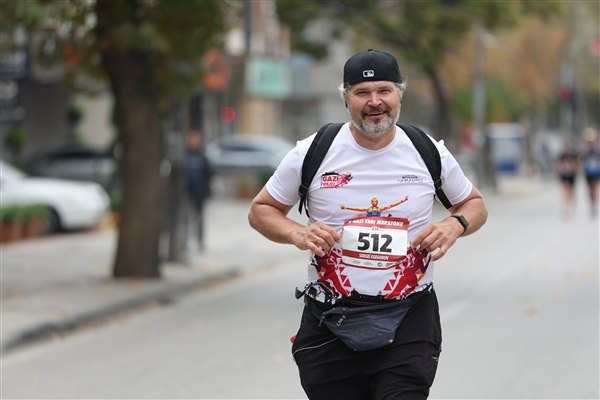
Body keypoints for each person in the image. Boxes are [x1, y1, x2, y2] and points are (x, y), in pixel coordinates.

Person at [248, 49, 488, 399]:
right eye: (362, 92)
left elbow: (474, 203)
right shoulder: (314, 151)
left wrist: (455, 224)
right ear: (345, 98)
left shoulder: (426, 151)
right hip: (330, 319)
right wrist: (297, 233)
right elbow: (261, 210)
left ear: (399, 94)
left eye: (384, 90)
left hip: (409, 318)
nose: (375, 102)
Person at [185, 130, 212, 251]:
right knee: (187, 217)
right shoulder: (185, 155)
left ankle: (200, 241)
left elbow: (208, 173)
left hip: (199, 192)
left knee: (199, 218)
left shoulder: (202, 156)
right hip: (187, 192)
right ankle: (186, 241)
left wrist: (206, 190)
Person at [553, 140, 580, 220]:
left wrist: (573, 167)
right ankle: (566, 208)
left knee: (571, 192)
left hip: (572, 176)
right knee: (565, 191)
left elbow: (578, 165)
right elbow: (557, 165)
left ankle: (571, 205)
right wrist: (560, 169)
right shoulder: (561, 156)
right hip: (564, 176)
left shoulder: (574, 156)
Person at [581, 127, 600, 217]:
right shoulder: (585, 150)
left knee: (595, 188)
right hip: (588, 172)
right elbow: (581, 159)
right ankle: (592, 204)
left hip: (596, 171)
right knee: (590, 189)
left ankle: (594, 204)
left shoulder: (597, 149)